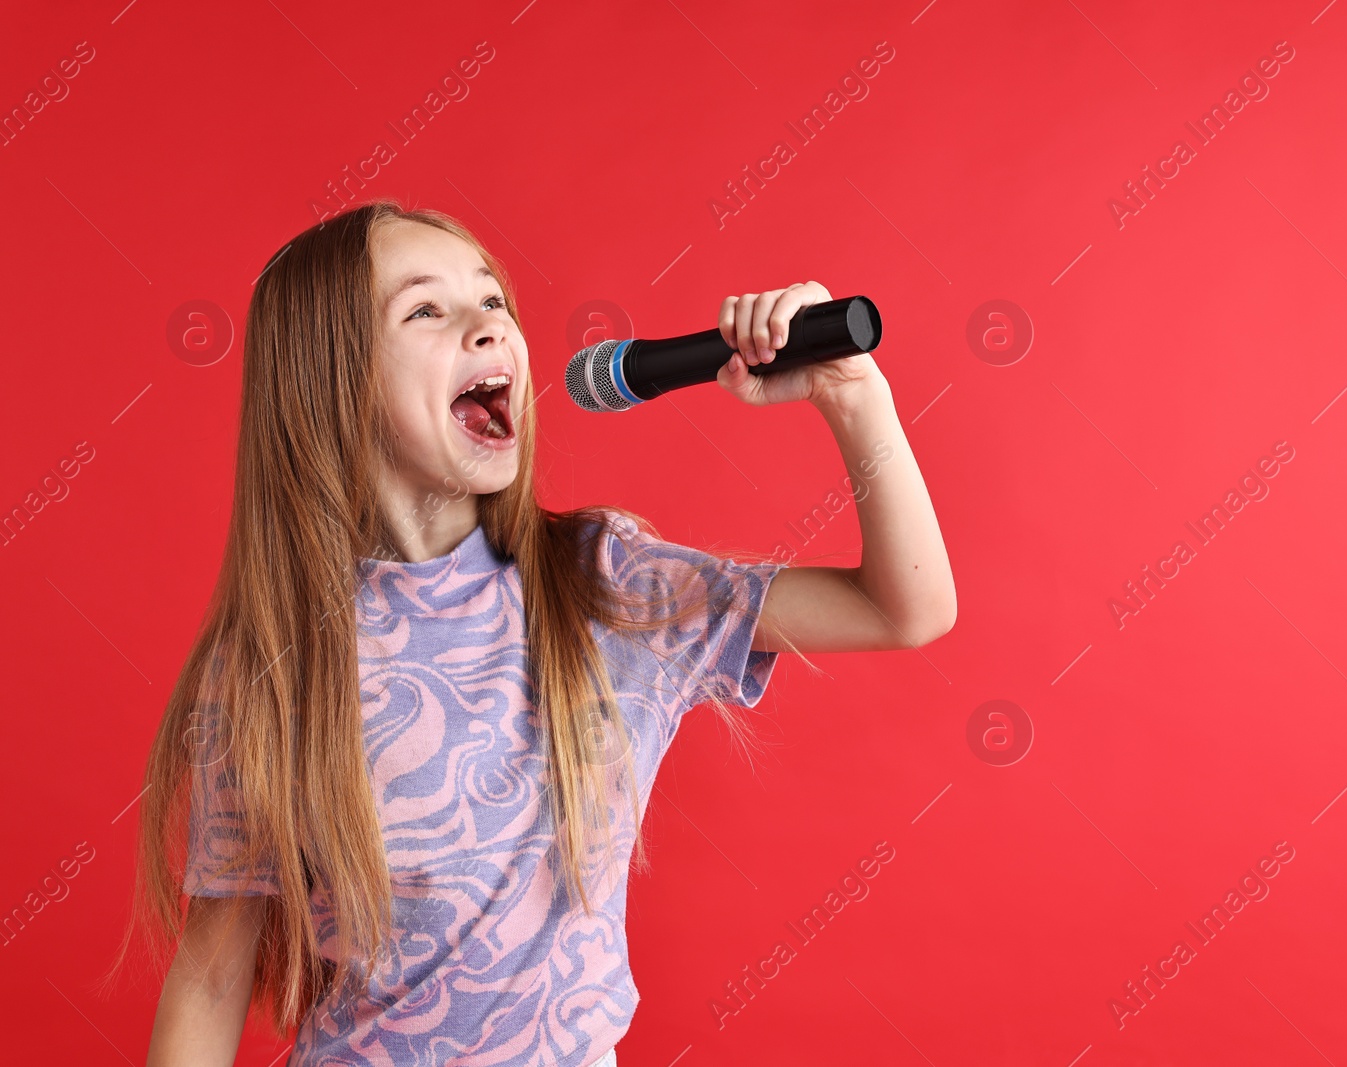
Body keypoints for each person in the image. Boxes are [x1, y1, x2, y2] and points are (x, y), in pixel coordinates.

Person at [110, 199, 956, 1067]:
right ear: (331, 379)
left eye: (494, 301)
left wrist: (853, 399)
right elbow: (211, 976)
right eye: (426, 309)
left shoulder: (604, 583)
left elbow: (906, 607)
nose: (488, 327)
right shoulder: (273, 667)